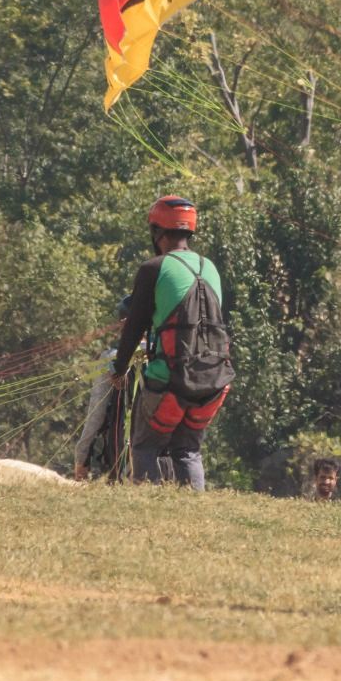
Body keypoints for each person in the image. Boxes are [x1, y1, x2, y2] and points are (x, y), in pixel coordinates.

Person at [110, 196, 234, 490]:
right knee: (187, 450)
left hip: (169, 381)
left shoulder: (153, 268)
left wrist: (119, 369)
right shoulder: (210, 267)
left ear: (156, 231)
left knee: (144, 445)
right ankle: (193, 513)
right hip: (214, 381)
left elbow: (134, 326)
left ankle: (148, 507)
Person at [73, 298, 131, 482]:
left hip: (123, 452)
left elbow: (95, 415)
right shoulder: (166, 356)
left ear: (123, 322)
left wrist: (81, 458)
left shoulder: (111, 358)